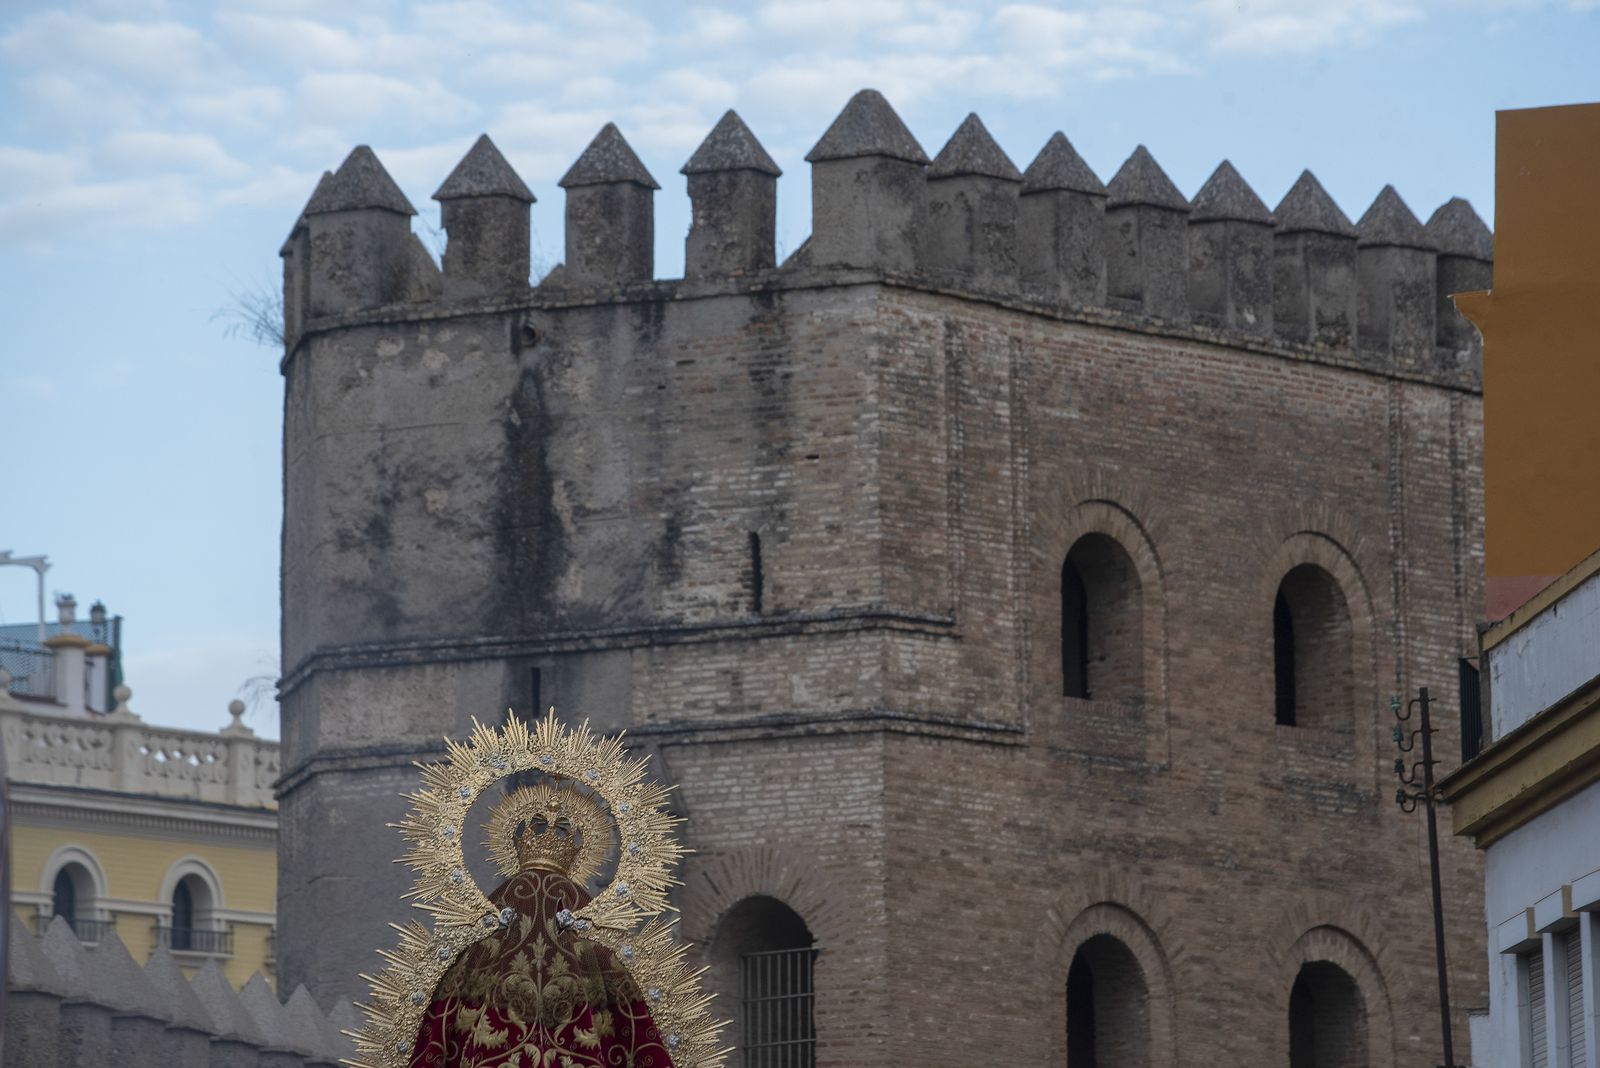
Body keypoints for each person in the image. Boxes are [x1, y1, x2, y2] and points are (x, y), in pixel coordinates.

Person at [405, 811, 676, 1068]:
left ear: (504, 903)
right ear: (574, 905)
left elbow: (435, 1043)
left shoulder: (475, 955)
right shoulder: (602, 957)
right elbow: (640, 1041)